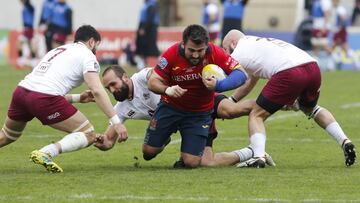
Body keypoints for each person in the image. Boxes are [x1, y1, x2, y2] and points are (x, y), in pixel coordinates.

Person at [217, 29, 356, 168]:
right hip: (312, 67)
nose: (226, 53)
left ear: (233, 44)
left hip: (289, 72)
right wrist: (232, 100)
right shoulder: (256, 43)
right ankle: (344, 141)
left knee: (256, 114)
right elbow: (250, 81)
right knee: (311, 109)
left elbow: (231, 78)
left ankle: (258, 157)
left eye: (225, 48)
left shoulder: (238, 53)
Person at [0, 25, 127, 173]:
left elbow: (43, 87)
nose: (96, 51)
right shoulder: (88, 56)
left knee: (7, 136)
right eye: (96, 46)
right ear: (92, 42)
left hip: (21, 92)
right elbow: (97, 90)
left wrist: (79, 97)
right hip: (43, 97)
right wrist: (116, 123)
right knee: (88, 133)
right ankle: (46, 153)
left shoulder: (58, 50)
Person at [94, 65, 275, 168]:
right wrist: (98, 140)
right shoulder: (122, 108)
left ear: (125, 77)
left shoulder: (142, 78)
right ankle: (251, 152)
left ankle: (279, 102)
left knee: (231, 110)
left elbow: (155, 75)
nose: (112, 89)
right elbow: (109, 141)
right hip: (181, 119)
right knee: (203, 162)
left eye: (113, 84)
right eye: (108, 87)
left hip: (197, 101)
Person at [141, 24, 248, 168]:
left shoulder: (214, 52)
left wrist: (218, 86)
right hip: (170, 107)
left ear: (206, 45)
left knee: (191, 162)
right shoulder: (171, 54)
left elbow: (241, 74)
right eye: (191, 50)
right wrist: (167, 90)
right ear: (183, 44)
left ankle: (249, 152)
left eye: (200, 50)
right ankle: (162, 139)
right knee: (148, 152)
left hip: (199, 113)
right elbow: (153, 82)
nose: (196, 55)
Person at [135, 0, 160, 71]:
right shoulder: (147, 4)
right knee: (142, 47)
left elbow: (150, 18)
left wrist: (143, 28)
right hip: (145, 26)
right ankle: (142, 65)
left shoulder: (152, 4)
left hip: (149, 28)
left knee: (151, 46)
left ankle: (163, 62)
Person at [17, 0, 36, 69]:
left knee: (19, 43)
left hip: (28, 28)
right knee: (30, 45)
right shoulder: (25, 7)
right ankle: (33, 63)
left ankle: (20, 63)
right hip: (26, 28)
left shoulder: (29, 7)